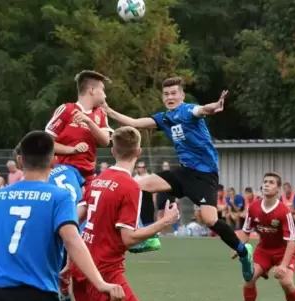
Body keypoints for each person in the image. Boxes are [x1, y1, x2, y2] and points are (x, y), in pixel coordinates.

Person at [103, 76, 254, 281]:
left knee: (210, 220)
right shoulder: (165, 118)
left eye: (174, 93)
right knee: (141, 185)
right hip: (183, 172)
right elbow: (135, 123)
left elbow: (201, 110)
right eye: (166, 94)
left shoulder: (187, 110)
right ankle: (150, 237)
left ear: (182, 95)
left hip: (204, 175)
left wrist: (214, 106)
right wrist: (108, 110)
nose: (170, 97)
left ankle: (244, 252)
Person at [0, 131, 124, 301]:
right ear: (53, 161)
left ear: (20, 161)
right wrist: (100, 283)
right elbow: (72, 239)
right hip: (38, 298)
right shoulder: (59, 197)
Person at [70, 126, 180, 301]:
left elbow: (74, 220)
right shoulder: (130, 186)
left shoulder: (97, 179)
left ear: (113, 151)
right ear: (138, 152)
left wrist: (69, 260)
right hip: (105, 269)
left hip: (82, 266)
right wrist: (164, 222)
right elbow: (128, 238)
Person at [14, 141, 86, 301]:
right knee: (78, 271)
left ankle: (60, 295)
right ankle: (73, 299)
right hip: (80, 225)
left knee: (51, 270)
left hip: (58, 231)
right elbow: (84, 195)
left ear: (22, 161)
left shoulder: (35, 183)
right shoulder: (70, 170)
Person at [234, 172, 295, 301]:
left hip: (284, 251)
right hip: (264, 250)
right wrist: (238, 247)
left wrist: (283, 266)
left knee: (286, 282)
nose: (266, 184)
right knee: (249, 279)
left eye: (271, 182)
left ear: (278, 189)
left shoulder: (284, 211)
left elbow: (292, 242)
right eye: (265, 181)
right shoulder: (253, 208)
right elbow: (246, 231)